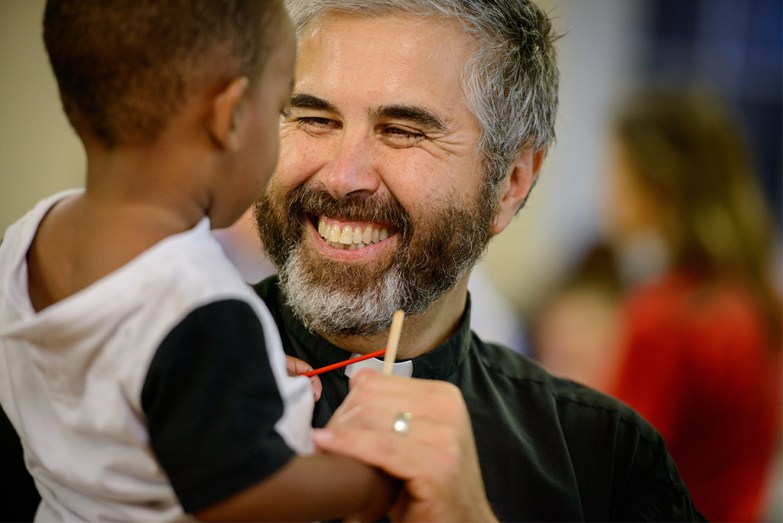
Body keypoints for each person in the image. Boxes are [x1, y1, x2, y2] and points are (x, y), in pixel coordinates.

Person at [250, 0, 704, 521]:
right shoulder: (156, 373)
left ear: (510, 182)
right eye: (314, 118)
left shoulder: (608, 458)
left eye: (403, 130)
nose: (342, 175)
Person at [0, 1, 398, 521]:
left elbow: (118, 385)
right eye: (283, 109)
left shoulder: (26, 238)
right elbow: (248, 497)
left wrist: (230, 385)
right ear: (230, 116)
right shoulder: (196, 301)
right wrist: (371, 475)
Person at [601, 89, 782, 522]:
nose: (609, 192)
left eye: (617, 172)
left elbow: (614, 472)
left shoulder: (668, 316)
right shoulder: (757, 300)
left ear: (656, 184)